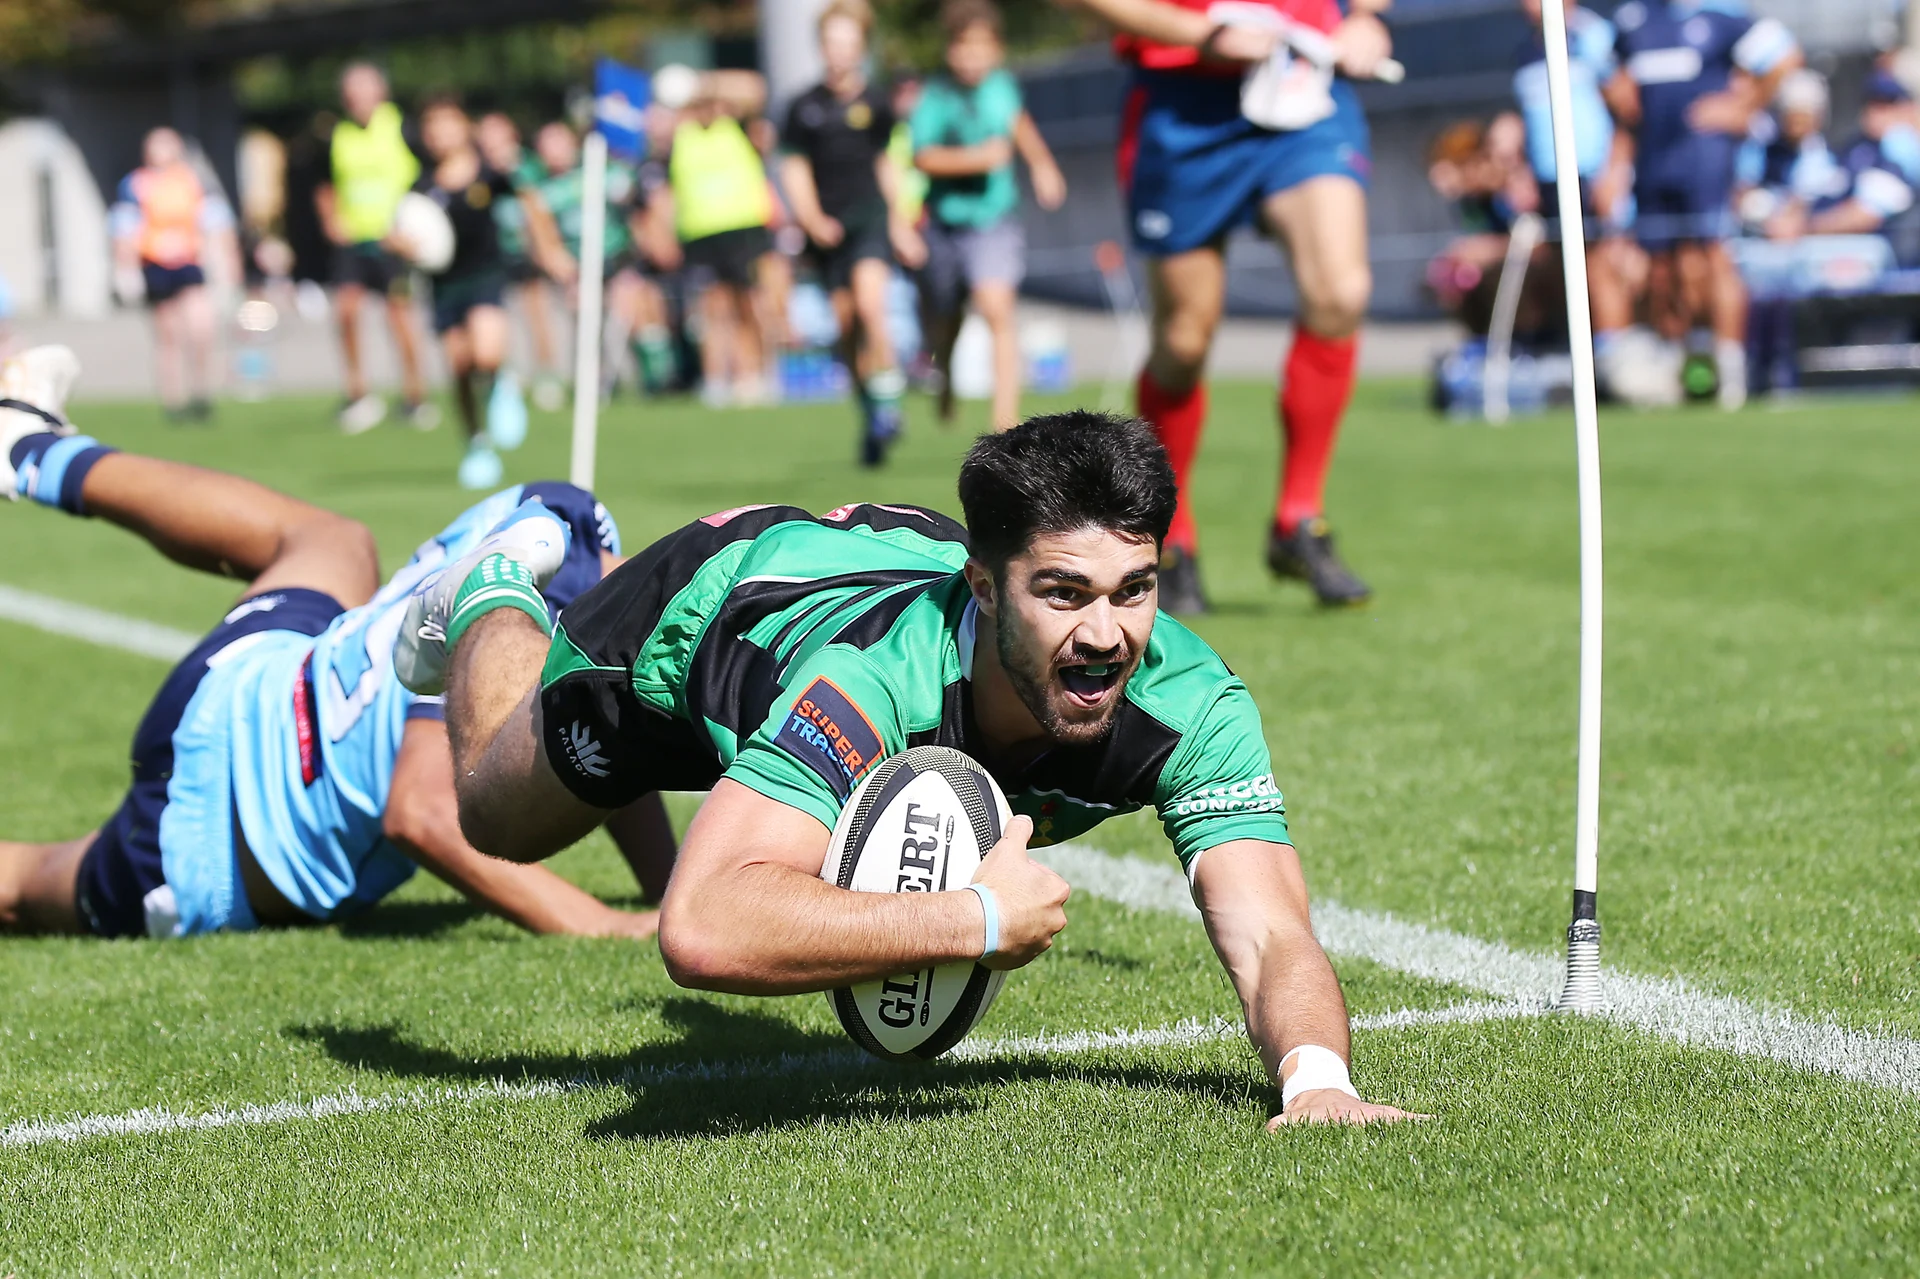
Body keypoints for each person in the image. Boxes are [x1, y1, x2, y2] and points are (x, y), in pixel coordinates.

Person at [388, 410, 1426, 1129]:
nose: (1109, 633)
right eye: (1064, 593)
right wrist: (973, 923)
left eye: (1135, 589)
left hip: (860, 578)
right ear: (985, 587)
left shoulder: (1191, 704)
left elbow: (1272, 930)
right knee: (496, 812)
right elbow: (701, 926)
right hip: (703, 617)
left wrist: (1316, 1078)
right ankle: (493, 584)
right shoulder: (871, 683)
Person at [0, 346, 673, 940]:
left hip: (259, 676)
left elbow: (615, 710)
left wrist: (666, 890)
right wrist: (604, 924)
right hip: (219, 833)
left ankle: (31, 451)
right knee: (21, 885)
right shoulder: (523, 618)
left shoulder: (557, 516)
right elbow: (421, 811)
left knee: (333, 542)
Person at [1056, 0, 1393, 615]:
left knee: (1341, 291)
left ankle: (1299, 519)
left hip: (1304, 98)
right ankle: (1171, 536)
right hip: (1183, 110)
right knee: (1184, 343)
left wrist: (1364, 18)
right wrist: (1201, 34)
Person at [1604, 0, 1799, 409]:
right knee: (1659, 270)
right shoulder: (1633, 19)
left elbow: (1785, 55)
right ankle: (1676, 369)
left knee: (1714, 258)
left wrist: (1743, 107)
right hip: (1653, 159)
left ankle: (1731, 373)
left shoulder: (1721, 16)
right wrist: (1618, 156)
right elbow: (1618, 86)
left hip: (1703, 158)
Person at [780, 0, 929, 465]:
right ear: (821, 47)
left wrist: (900, 223)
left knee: (871, 305)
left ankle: (888, 405)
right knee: (845, 327)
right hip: (826, 229)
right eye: (832, 43)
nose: (840, 52)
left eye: (849, 43)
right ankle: (870, 415)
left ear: (861, 48)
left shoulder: (878, 103)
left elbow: (888, 165)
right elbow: (794, 170)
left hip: (870, 219)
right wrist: (810, 219)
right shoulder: (803, 107)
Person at [400, 95, 573, 491]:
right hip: (443, 286)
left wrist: (548, 249)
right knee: (460, 368)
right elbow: (402, 230)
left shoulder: (488, 174)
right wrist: (401, 245)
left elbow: (530, 200)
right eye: (433, 128)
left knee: (486, 353)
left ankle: (501, 383)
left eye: (448, 124)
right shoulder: (423, 185)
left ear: (464, 127)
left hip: (485, 276)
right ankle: (476, 444)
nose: (440, 134)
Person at [913, 0, 1068, 435]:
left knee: (996, 307)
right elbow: (922, 157)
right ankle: (944, 381)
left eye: (981, 47)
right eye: (963, 47)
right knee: (946, 321)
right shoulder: (935, 96)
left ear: (996, 50)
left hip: (993, 221)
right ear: (950, 50)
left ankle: (1005, 422)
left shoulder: (1001, 87)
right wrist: (977, 159)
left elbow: (1018, 124)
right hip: (945, 224)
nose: (971, 57)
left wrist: (1043, 165)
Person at [1514, 0, 1641, 397]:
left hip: (1590, 171)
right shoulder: (1527, 48)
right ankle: (1584, 364)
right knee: (1565, 269)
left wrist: (1614, 171)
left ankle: (1617, 368)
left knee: (1600, 267)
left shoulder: (1593, 36)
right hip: (1548, 176)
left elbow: (1626, 105)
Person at [317, 63, 433, 433]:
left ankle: (416, 396)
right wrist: (331, 219)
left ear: (380, 92)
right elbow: (324, 183)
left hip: (393, 242)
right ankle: (358, 394)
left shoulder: (402, 126)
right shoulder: (337, 134)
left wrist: (411, 226)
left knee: (399, 317)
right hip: (355, 240)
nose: (358, 99)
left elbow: (427, 176)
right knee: (346, 311)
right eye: (351, 93)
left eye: (364, 90)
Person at [531, 121, 683, 400]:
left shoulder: (604, 172)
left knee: (636, 315)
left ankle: (659, 380)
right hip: (577, 268)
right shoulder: (543, 191)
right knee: (588, 324)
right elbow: (543, 237)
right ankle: (599, 382)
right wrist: (560, 266)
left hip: (617, 258)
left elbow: (637, 203)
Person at [661, 67, 780, 407]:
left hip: (742, 229)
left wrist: (702, 84)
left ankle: (755, 375)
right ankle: (716, 380)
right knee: (712, 310)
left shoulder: (737, 126)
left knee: (748, 304)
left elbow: (755, 89)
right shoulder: (681, 135)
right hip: (700, 234)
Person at [110, 126, 243, 423]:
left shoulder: (193, 181)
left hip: (188, 264)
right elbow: (124, 229)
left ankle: (202, 393)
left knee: (201, 329)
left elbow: (219, 224)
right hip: (155, 265)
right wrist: (125, 269)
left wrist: (228, 269)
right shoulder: (135, 184)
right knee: (168, 336)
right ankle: (173, 401)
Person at [477, 112, 565, 413]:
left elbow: (536, 206)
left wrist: (546, 248)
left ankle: (547, 374)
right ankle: (503, 376)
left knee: (535, 313)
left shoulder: (525, 166)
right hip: (492, 253)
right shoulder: (478, 168)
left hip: (524, 251)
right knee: (494, 318)